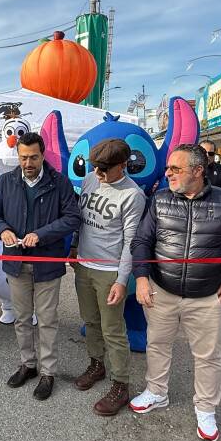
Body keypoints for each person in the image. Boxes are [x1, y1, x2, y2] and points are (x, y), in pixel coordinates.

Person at [129, 144, 221, 441]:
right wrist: (143, 279)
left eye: (176, 168)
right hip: (163, 291)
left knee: (208, 356)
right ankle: (156, 391)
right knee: (157, 345)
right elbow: (141, 242)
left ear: (199, 170)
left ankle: (205, 408)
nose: (169, 174)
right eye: (168, 168)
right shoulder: (159, 200)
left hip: (207, 297)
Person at [0, 132, 80, 401]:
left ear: (43, 155)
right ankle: (28, 364)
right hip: (16, 263)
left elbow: (73, 217)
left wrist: (42, 234)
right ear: (18, 156)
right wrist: (2, 229)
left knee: (48, 320)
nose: (28, 162)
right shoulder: (5, 182)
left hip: (46, 264)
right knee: (22, 318)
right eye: (24, 157)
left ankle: (48, 372)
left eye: (34, 157)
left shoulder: (60, 183)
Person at [68, 138, 146, 414]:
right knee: (90, 321)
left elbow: (130, 243)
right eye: (96, 168)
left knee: (113, 329)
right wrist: (75, 247)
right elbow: (80, 218)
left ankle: (121, 384)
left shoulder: (133, 195)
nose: (98, 174)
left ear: (123, 166)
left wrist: (122, 280)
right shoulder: (91, 179)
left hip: (109, 270)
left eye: (104, 169)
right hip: (84, 266)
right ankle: (96, 364)